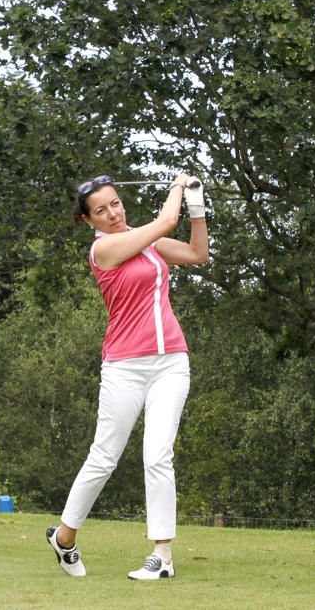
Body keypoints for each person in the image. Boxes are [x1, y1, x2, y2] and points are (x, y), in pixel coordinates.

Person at [46, 174, 209, 581]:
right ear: (89, 221)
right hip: (124, 366)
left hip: (171, 360)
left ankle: (163, 555)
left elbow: (196, 253)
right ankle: (65, 536)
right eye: (101, 210)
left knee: (158, 456)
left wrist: (197, 206)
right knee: (104, 456)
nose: (113, 213)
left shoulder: (145, 239)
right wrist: (176, 187)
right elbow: (164, 223)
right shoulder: (104, 249)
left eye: (115, 204)